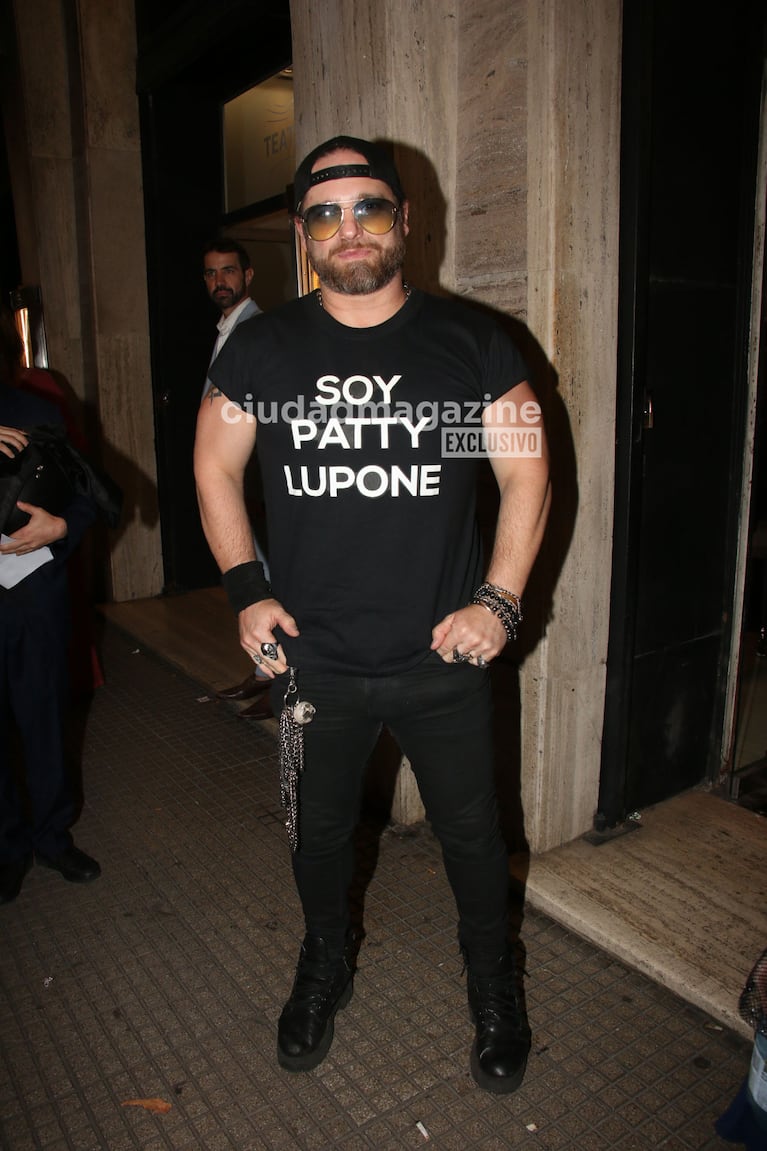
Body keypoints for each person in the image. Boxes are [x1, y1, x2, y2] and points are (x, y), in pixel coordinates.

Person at [193, 136, 551, 1093]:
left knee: (474, 839)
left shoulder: (473, 341)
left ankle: (492, 986)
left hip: (445, 658)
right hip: (314, 663)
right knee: (315, 836)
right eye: (325, 213)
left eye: (369, 208)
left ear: (405, 220)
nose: (348, 228)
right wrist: (243, 589)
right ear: (304, 234)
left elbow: (526, 470)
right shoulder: (263, 347)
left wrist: (499, 599)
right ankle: (324, 962)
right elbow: (214, 467)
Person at [0, 308, 101, 904]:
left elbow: (89, 491)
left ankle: (52, 835)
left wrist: (61, 525)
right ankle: (8, 844)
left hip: (30, 593)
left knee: (44, 718)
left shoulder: (34, 411)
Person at [201, 240, 273, 720]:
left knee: (263, 575)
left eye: (228, 271)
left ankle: (277, 675)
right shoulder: (228, 328)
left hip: (257, 478)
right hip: (235, 476)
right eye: (210, 273)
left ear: (248, 276)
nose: (219, 281)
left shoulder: (259, 329)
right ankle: (267, 671)